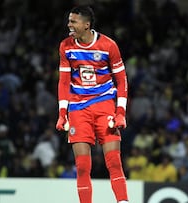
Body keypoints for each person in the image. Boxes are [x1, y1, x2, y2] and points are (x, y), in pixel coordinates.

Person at [55, 5, 129, 203]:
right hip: (78, 108)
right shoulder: (66, 46)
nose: (68, 25)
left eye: (73, 21)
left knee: (113, 161)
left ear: (86, 25)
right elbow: (63, 82)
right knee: (81, 166)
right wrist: (63, 113)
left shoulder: (108, 46)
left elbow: (121, 80)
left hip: (104, 104)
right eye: (69, 21)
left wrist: (120, 111)